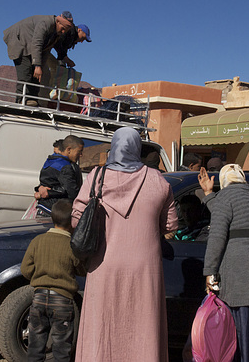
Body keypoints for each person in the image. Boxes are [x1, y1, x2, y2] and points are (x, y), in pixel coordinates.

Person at [72, 127, 178, 362]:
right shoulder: (157, 180)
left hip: (103, 264)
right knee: (143, 327)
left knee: (102, 327)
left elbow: (76, 217)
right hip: (144, 270)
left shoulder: (96, 177)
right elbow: (171, 225)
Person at [199, 164, 249, 362]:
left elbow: (217, 236)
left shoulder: (226, 197)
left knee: (235, 336)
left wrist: (210, 271)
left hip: (238, 271)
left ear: (224, 181)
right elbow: (231, 217)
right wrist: (209, 194)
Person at [21, 199, 86, 362]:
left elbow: (25, 270)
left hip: (39, 299)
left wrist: (39, 277)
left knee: (35, 349)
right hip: (63, 302)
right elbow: (82, 270)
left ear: (52, 218)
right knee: (61, 351)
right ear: (72, 222)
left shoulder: (37, 241)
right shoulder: (71, 246)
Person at [3, 13, 74, 105]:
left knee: (37, 75)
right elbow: (37, 43)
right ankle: (21, 99)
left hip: (31, 45)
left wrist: (41, 66)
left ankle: (33, 100)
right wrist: (37, 65)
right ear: (57, 22)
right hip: (19, 41)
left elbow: (48, 49)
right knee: (25, 72)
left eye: (66, 30)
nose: (63, 31)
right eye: (63, 28)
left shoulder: (56, 33)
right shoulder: (45, 23)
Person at [35, 135, 84, 216]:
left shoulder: (51, 160)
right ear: (69, 149)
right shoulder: (65, 166)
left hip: (43, 207)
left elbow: (46, 182)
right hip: (54, 211)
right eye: (79, 151)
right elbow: (72, 191)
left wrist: (40, 189)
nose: (81, 154)